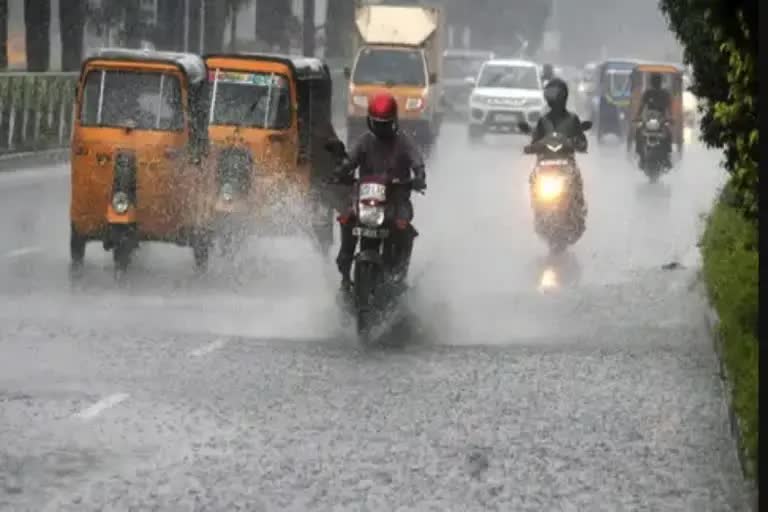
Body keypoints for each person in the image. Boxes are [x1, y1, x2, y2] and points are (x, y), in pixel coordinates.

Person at [330, 92, 427, 289]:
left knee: (403, 226)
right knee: (347, 218)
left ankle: (399, 275)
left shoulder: (403, 142)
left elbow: (417, 161)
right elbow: (351, 160)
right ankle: (345, 273)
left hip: (396, 199)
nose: (382, 128)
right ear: (369, 121)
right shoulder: (365, 141)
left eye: (386, 123)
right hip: (366, 199)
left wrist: (418, 177)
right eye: (378, 123)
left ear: (394, 121)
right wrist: (341, 171)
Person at [525, 78, 587, 237]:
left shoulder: (572, 119)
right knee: (532, 181)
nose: (552, 97)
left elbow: (582, 142)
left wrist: (577, 143)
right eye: (549, 94)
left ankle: (578, 213)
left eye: (555, 94)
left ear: (563, 95)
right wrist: (532, 147)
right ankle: (537, 211)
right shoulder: (542, 121)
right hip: (545, 165)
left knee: (577, 185)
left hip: (566, 165)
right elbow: (534, 140)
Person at [634, 73, 672, 166]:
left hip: (661, 120)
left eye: (657, 80)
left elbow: (669, 109)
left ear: (660, 82)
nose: (656, 82)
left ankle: (667, 157)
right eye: (655, 80)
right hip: (649, 119)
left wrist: (670, 117)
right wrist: (637, 116)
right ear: (652, 82)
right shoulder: (648, 93)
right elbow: (641, 106)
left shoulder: (665, 94)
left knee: (668, 134)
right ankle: (641, 155)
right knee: (638, 132)